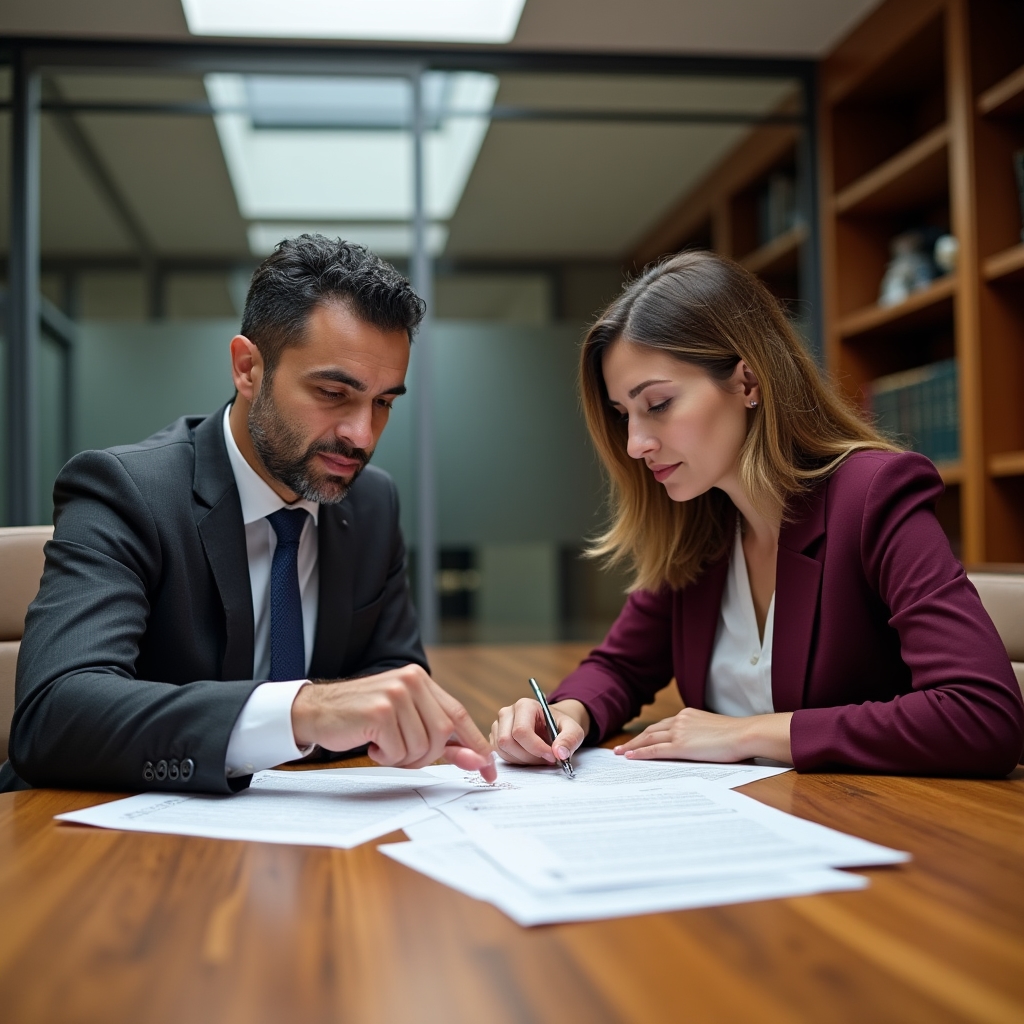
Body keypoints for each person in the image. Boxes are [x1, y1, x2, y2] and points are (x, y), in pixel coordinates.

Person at [492, 250, 1023, 776]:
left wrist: (748, 733)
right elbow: (621, 666)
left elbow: (981, 714)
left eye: (656, 405)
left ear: (747, 382)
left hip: (878, 827)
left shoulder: (872, 497)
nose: (634, 443)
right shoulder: (699, 524)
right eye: (623, 415)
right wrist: (562, 713)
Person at [2, 235, 496, 794]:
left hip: (308, 835)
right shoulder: (127, 491)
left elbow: (392, 676)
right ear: (247, 368)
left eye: (384, 402)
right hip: (112, 841)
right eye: (334, 392)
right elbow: (54, 715)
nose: (362, 434)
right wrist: (300, 711)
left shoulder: (371, 503)